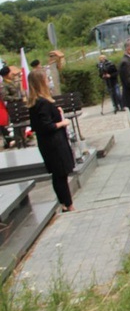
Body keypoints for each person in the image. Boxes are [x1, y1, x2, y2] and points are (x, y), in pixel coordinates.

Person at [27, 70, 75, 212]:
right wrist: (63, 123)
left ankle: (65, 203)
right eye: (46, 79)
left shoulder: (36, 102)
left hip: (48, 143)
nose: (48, 81)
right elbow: (45, 125)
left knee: (59, 174)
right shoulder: (42, 102)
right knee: (60, 174)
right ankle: (68, 204)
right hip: (54, 143)